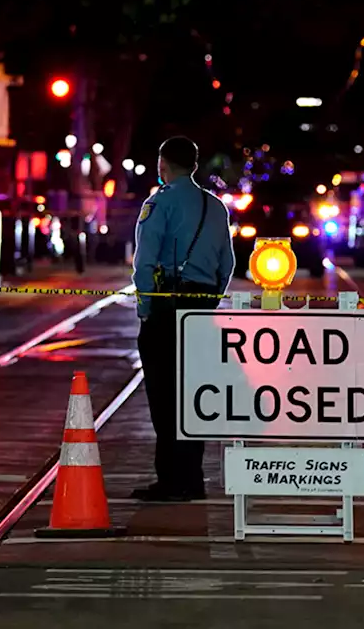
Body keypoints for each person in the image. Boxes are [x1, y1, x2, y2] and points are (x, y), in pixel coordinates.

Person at [131, 136, 235, 502]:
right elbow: (228, 264)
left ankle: (171, 480)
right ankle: (193, 476)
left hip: (167, 304)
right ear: (194, 165)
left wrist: (146, 308)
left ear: (163, 165)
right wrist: (210, 300)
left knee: (163, 394)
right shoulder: (216, 207)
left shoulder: (158, 203)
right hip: (201, 305)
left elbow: (144, 264)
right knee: (194, 394)